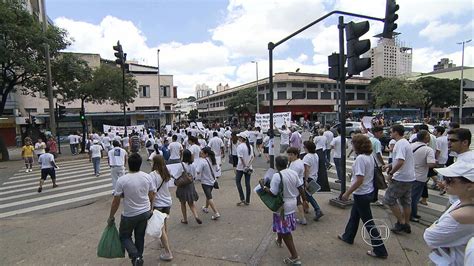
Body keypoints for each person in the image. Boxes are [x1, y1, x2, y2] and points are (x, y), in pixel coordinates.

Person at [338, 134, 388, 259]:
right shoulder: (369, 156)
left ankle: (380, 250)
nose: (351, 145)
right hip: (367, 192)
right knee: (354, 216)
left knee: (369, 223)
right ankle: (348, 236)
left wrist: (347, 193)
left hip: (362, 193)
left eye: (353, 143)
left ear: (357, 145)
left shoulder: (360, 158)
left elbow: (359, 179)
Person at [107, 153, 154, 266]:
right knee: (140, 236)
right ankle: (138, 258)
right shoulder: (147, 177)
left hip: (129, 214)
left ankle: (136, 256)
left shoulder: (122, 180)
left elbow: (116, 201)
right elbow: (152, 194)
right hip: (145, 212)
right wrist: (151, 208)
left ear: (128, 164)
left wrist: (111, 216)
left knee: (124, 236)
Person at [259, 155, 306, 265]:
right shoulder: (293, 173)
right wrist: (305, 201)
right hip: (292, 202)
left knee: (285, 231)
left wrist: (263, 186)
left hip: (282, 207)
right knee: (282, 226)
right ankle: (279, 240)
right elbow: (300, 187)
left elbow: (273, 192)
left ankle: (294, 256)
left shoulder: (277, 176)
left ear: (276, 165)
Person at [424, 162, 474, 265]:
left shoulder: (463, 214)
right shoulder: (463, 201)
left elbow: (430, 237)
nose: (444, 182)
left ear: (469, 186)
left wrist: (435, 226)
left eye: (450, 180)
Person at [383, 124, 415, 234]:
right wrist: (390, 165)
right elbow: (400, 160)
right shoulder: (405, 143)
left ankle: (401, 223)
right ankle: (406, 223)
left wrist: (391, 173)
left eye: (391, 132)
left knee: (389, 199)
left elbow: (401, 161)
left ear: (396, 132)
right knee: (406, 202)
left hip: (401, 177)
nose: (390, 134)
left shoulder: (400, 144)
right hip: (409, 177)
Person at [149, 155, 173, 261]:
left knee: (161, 228)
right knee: (164, 224)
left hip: (158, 204)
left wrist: (151, 206)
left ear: (155, 163)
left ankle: (168, 252)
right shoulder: (166, 172)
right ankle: (164, 243)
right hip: (167, 202)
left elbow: (153, 193)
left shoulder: (152, 175)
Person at [409, 130, 436, 222]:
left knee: (412, 196)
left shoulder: (410, 146)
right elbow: (430, 164)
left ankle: (414, 213)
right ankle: (411, 215)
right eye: (428, 136)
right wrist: (436, 162)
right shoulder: (428, 149)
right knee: (414, 197)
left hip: (409, 175)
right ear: (426, 138)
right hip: (420, 176)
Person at [175, 149, 202, 225]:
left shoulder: (181, 165)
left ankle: (185, 219)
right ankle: (196, 216)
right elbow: (194, 176)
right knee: (191, 203)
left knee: (183, 203)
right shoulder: (192, 165)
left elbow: (177, 176)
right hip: (190, 185)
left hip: (182, 186)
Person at [195, 147, 221, 220]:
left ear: (206, 154)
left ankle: (216, 212)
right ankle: (206, 207)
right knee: (208, 195)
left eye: (202, 153)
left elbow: (197, 171)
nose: (200, 154)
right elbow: (217, 169)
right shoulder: (213, 159)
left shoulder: (202, 161)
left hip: (205, 182)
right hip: (213, 181)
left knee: (209, 197)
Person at [302, 141, 324, 221]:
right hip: (315, 176)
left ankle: (317, 209)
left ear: (307, 148)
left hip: (309, 177)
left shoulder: (307, 157)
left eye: (304, 147)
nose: (303, 148)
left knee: (307, 195)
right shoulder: (315, 155)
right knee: (307, 194)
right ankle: (305, 208)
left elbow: (306, 169)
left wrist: (305, 180)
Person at [287, 147, 309, 225]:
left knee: (295, 201)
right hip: (298, 184)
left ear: (296, 155)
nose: (289, 156)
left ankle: (301, 218)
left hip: (295, 185)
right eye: (288, 155)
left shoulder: (296, 164)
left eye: (291, 155)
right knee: (298, 201)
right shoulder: (297, 162)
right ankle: (302, 219)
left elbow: (292, 176)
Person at [235, 132, 254, 206]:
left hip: (240, 167)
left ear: (241, 138)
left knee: (238, 182)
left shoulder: (240, 146)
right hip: (249, 167)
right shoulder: (250, 146)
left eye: (239, 137)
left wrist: (245, 166)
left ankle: (242, 198)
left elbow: (241, 158)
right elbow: (252, 157)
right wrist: (248, 165)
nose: (238, 138)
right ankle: (248, 200)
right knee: (247, 184)